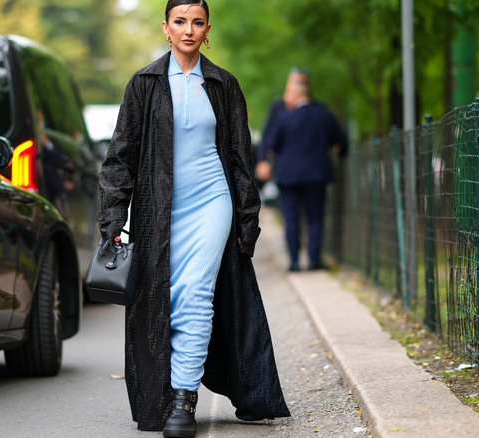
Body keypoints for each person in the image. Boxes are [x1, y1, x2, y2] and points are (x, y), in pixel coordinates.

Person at [97, 1, 290, 437]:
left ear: (207, 29)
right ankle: (165, 393)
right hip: (158, 209)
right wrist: (113, 221)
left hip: (212, 202)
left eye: (197, 22)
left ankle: (183, 398)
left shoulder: (223, 84)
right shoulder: (144, 83)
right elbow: (119, 158)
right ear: (166, 28)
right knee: (166, 298)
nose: (188, 30)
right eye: (180, 22)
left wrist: (247, 219)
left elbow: (242, 158)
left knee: (195, 294)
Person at [258, 69, 348, 271]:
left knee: (291, 218)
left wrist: (268, 160)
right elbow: (342, 142)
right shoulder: (324, 115)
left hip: (288, 176)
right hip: (316, 175)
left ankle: (295, 262)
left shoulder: (283, 118)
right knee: (315, 218)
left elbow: (270, 143)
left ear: (296, 94)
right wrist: (337, 150)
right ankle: (315, 260)